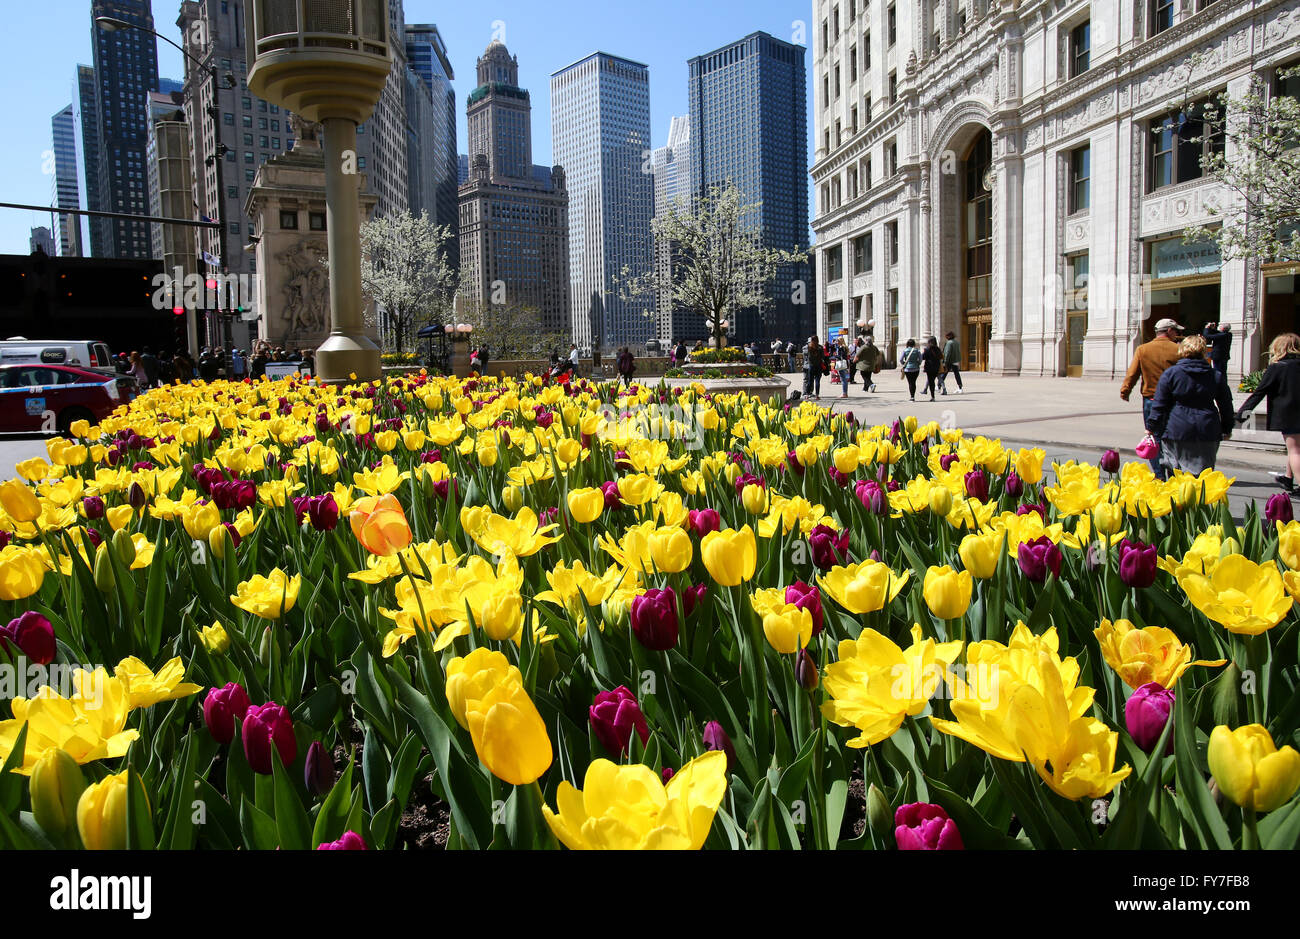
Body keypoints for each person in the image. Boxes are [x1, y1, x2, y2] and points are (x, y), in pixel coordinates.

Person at [1145, 335, 1234, 475]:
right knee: (1204, 475)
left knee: (1176, 475)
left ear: (1182, 350)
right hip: (1207, 428)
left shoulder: (1171, 374)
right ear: (1203, 351)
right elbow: (1226, 405)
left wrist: (1151, 427)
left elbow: (1159, 404)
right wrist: (1227, 428)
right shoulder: (1215, 375)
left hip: (1177, 428)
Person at [1120, 318, 1183, 479]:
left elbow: (1132, 373)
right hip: (1173, 401)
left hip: (1151, 400)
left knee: (1154, 439)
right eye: (1175, 331)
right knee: (1172, 439)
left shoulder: (1143, 349)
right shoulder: (1178, 349)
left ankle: (1159, 475)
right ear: (1168, 331)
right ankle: (1173, 473)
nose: (1177, 334)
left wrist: (1125, 391)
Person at [1237, 332, 1300, 493]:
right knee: (1294, 447)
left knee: (1294, 450)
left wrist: (1244, 411)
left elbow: (1260, 392)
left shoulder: (1277, 368)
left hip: (1289, 414)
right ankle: (1288, 477)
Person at [921, 337, 944, 401]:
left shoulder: (927, 349)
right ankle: (932, 396)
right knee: (932, 381)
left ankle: (932, 396)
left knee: (931, 382)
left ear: (930, 342)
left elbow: (923, 357)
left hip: (929, 367)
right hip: (936, 367)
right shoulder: (938, 349)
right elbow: (941, 357)